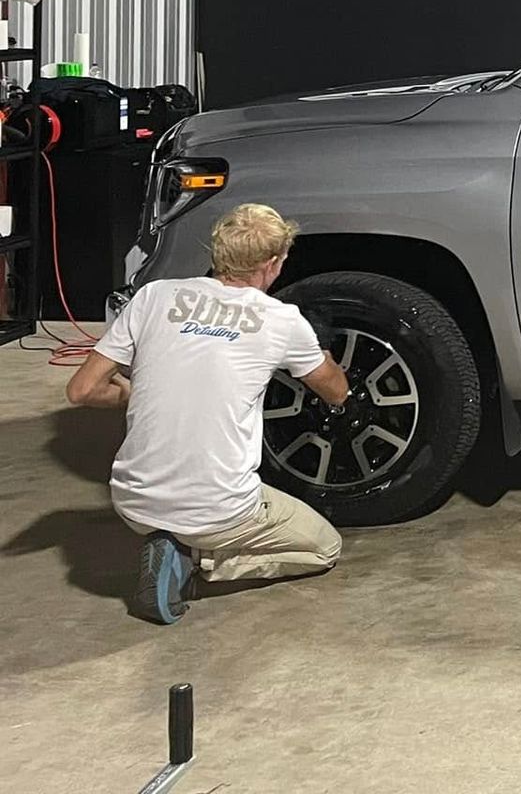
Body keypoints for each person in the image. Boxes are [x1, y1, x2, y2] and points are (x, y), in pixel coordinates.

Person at [65, 203, 350, 624]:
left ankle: (171, 543)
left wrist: (132, 396)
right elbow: (338, 392)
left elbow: (81, 389)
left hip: (132, 501)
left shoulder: (153, 296)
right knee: (324, 547)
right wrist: (319, 349)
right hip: (219, 510)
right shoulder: (283, 320)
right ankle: (197, 563)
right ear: (272, 264)